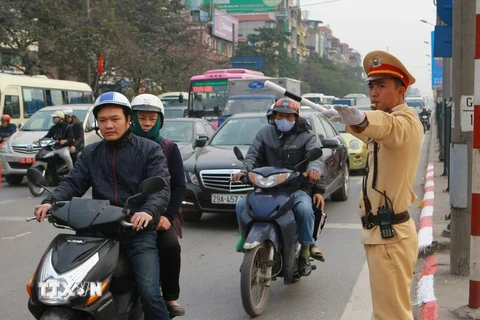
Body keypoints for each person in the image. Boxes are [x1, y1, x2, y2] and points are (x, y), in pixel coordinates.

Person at [33, 91, 172, 320]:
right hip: (98, 234)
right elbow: (73, 182)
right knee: (68, 287)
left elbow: (161, 188)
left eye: (115, 119)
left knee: (150, 293)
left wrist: (147, 211)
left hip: (136, 234)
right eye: (103, 120)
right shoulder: (91, 153)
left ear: (128, 120)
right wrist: (50, 201)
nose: (108, 125)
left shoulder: (149, 150)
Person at [321, 50, 422, 320]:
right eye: (371, 86)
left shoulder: (407, 122)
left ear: (401, 91)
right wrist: (351, 122)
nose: (373, 93)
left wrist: (361, 119)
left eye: (381, 86)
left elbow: (387, 127)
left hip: (391, 236)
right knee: (385, 313)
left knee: (392, 315)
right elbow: (374, 133)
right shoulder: (386, 120)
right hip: (380, 234)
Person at [232, 98, 324, 276]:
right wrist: (244, 171)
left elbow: (316, 159)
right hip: (267, 187)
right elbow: (252, 156)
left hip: (296, 188)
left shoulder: (308, 135)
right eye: (280, 115)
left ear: (296, 118)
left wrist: (313, 170)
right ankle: (246, 241)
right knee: (241, 206)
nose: (284, 119)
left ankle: (305, 250)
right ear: (274, 117)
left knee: (305, 209)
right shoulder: (264, 133)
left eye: (289, 116)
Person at [130, 93, 186, 318]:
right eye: (142, 118)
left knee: (170, 245)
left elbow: (179, 187)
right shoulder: (122, 146)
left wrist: (168, 216)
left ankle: (170, 296)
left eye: (152, 119)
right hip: (127, 211)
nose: (146, 123)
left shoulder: (169, 148)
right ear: (132, 118)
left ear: (159, 120)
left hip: (162, 212)